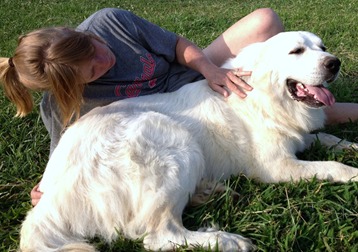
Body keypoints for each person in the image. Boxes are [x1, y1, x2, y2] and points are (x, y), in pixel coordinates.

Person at [0, 8, 357, 207]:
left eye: (93, 47)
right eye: (93, 70)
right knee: (320, 114)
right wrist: (47, 187)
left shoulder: (109, 22)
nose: (103, 57)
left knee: (265, 20)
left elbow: (177, 45)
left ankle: (303, 94)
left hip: (193, 75)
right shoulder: (60, 105)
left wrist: (211, 70)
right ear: (68, 88)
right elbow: (68, 145)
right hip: (175, 113)